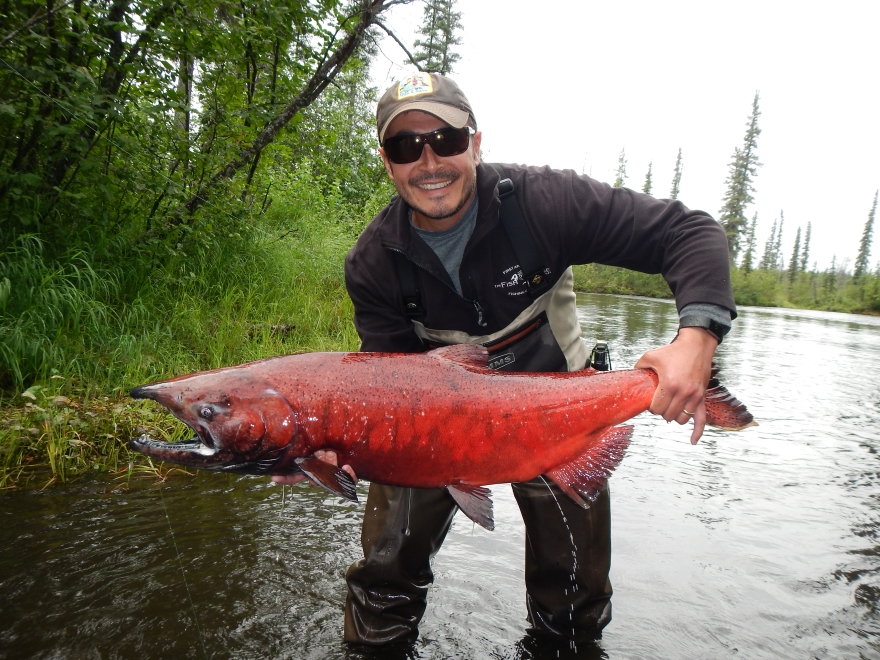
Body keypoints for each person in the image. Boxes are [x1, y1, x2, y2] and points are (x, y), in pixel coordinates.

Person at [274, 72, 735, 646]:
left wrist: (696, 339)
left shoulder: (546, 202)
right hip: (431, 429)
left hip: (558, 415)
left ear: (475, 140)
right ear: (387, 161)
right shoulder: (372, 263)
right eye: (405, 146)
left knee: (571, 604)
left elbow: (688, 232)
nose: (428, 161)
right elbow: (384, 385)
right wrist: (339, 445)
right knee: (384, 580)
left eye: (445, 140)